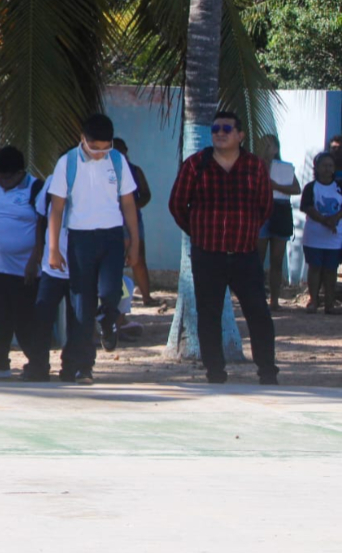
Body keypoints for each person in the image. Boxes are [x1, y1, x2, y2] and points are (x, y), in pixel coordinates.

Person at [168, 112, 277, 384]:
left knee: (259, 315)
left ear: (240, 136)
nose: (219, 132)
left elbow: (265, 207)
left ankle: (267, 373)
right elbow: (177, 205)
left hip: (245, 255)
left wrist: (246, 230)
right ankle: (215, 373)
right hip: (208, 254)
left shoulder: (255, 167)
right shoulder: (196, 165)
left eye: (227, 128)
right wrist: (200, 233)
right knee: (209, 315)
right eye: (216, 128)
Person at [46, 113, 140, 385]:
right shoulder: (68, 163)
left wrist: (134, 241)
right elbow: (57, 208)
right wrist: (54, 248)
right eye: (94, 147)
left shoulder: (118, 161)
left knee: (111, 291)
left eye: (105, 147)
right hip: (80, 240)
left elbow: (129, 204)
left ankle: (109, 318)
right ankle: (83, 366)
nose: (100, 153)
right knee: (81, 307)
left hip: (111, 238)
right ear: (82, 140)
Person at [0, 146, 42, 380]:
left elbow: (43, 229)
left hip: (25, 270)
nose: (2, 181)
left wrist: (34, 260)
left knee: (25, 321)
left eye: (7, 177)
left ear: (20, 172)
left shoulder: (36, 189)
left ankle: (38, 364)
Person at [27, 177, 73, 382]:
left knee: (78, 319)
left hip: (81, 267)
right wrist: (39, 252)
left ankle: (73, 367)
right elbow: (41, 218)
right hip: (51, 266)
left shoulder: (93, 178)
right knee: (41, 316)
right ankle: (38, 366)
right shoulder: (53, 182)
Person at [256, 134, 301, 310]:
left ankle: (274, 299)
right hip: (260, 208)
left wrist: (276, 186)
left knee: (277, 259)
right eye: (264, 145)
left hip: (280, 208)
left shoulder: (284, 168)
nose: (267, 149)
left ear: (276, 148)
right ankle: (257, 297)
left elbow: (296, 188)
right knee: (258, 257)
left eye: (270, 146)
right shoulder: (254, 165)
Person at [113, 138, 155, 307]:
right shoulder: (104, 171)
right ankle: (118, 301)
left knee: (138, 259)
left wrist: (131, 207)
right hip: (112, 223)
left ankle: (146, 296)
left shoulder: (135, 171)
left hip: (133, 221)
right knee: (114, 263)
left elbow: (146, 194)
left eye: (120, 151)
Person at [301, 151, 342, 315]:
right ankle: (313, 301)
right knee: (315, 267)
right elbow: (308, 208)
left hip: (334, 236)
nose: (327, 169)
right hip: (314, 235)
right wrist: (326, 221)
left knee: (331, 269)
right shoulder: (310, 187)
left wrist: (335, 218)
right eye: (324, 165)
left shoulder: (339, 186)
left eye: (330, 166)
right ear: (316, 167)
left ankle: (329, 304)